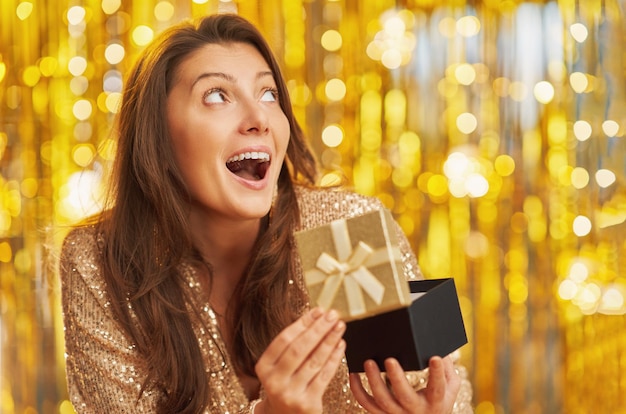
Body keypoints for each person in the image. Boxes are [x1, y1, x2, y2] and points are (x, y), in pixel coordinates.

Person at [59, 13, 473, 414]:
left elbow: (434, 389)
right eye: (217, 95)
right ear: (158, 135)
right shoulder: (101, 258)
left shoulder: (345, 229)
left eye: (269, 94)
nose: (259, 119)